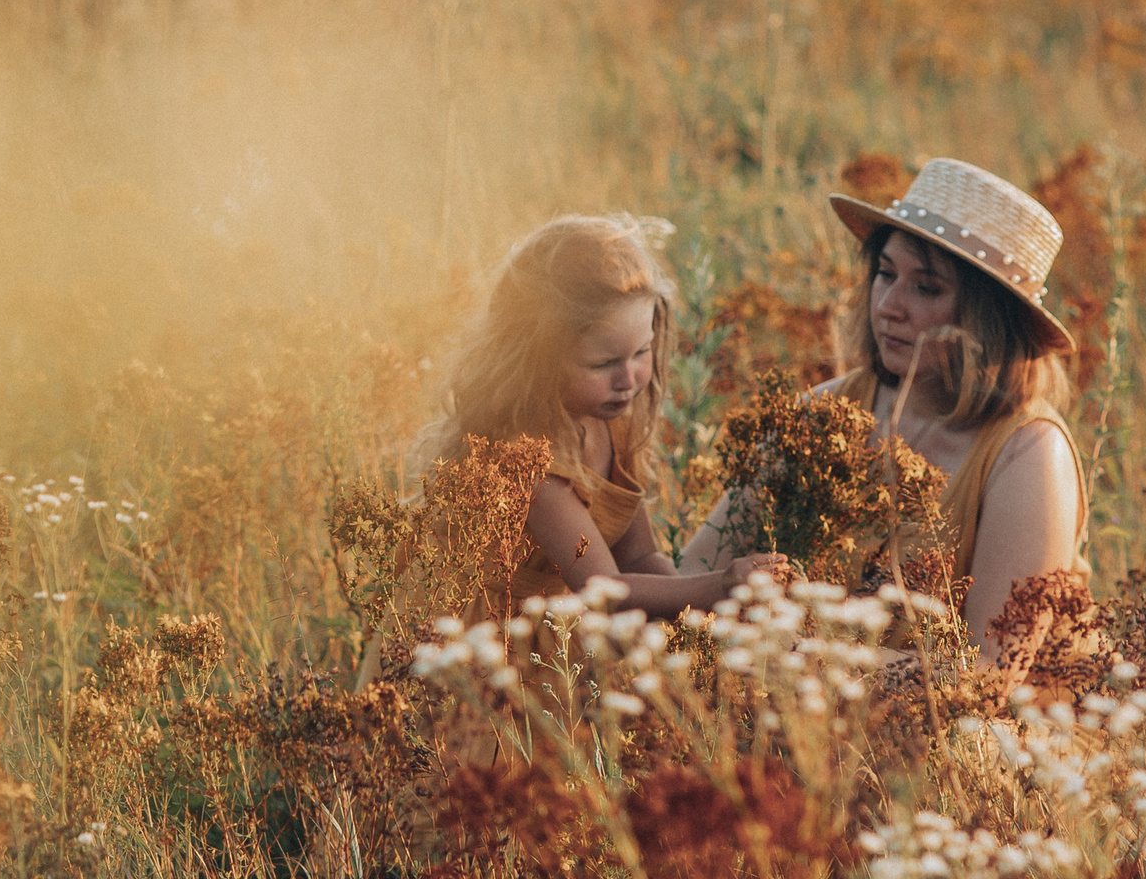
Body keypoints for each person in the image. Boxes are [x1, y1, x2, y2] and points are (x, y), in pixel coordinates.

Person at [680, 158, 1086, 659]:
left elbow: (987, 679)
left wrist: (796, 655)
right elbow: (695, 571)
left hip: (972, 736)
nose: (888, 305)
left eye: (926, 287)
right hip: (804, 718)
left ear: (990, 318)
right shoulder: (825, 412)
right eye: (884, 273)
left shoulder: (1029, 455)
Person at [418, 214, 766, 618]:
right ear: (538, 361)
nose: (629, 379)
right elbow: (604, 592)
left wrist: (698, 621)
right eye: (603, 363)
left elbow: (638, 557)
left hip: (562, 623)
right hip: (494, 635)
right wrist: (718, 587)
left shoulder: (611, 419)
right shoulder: (530, 459)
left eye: (642, 352)